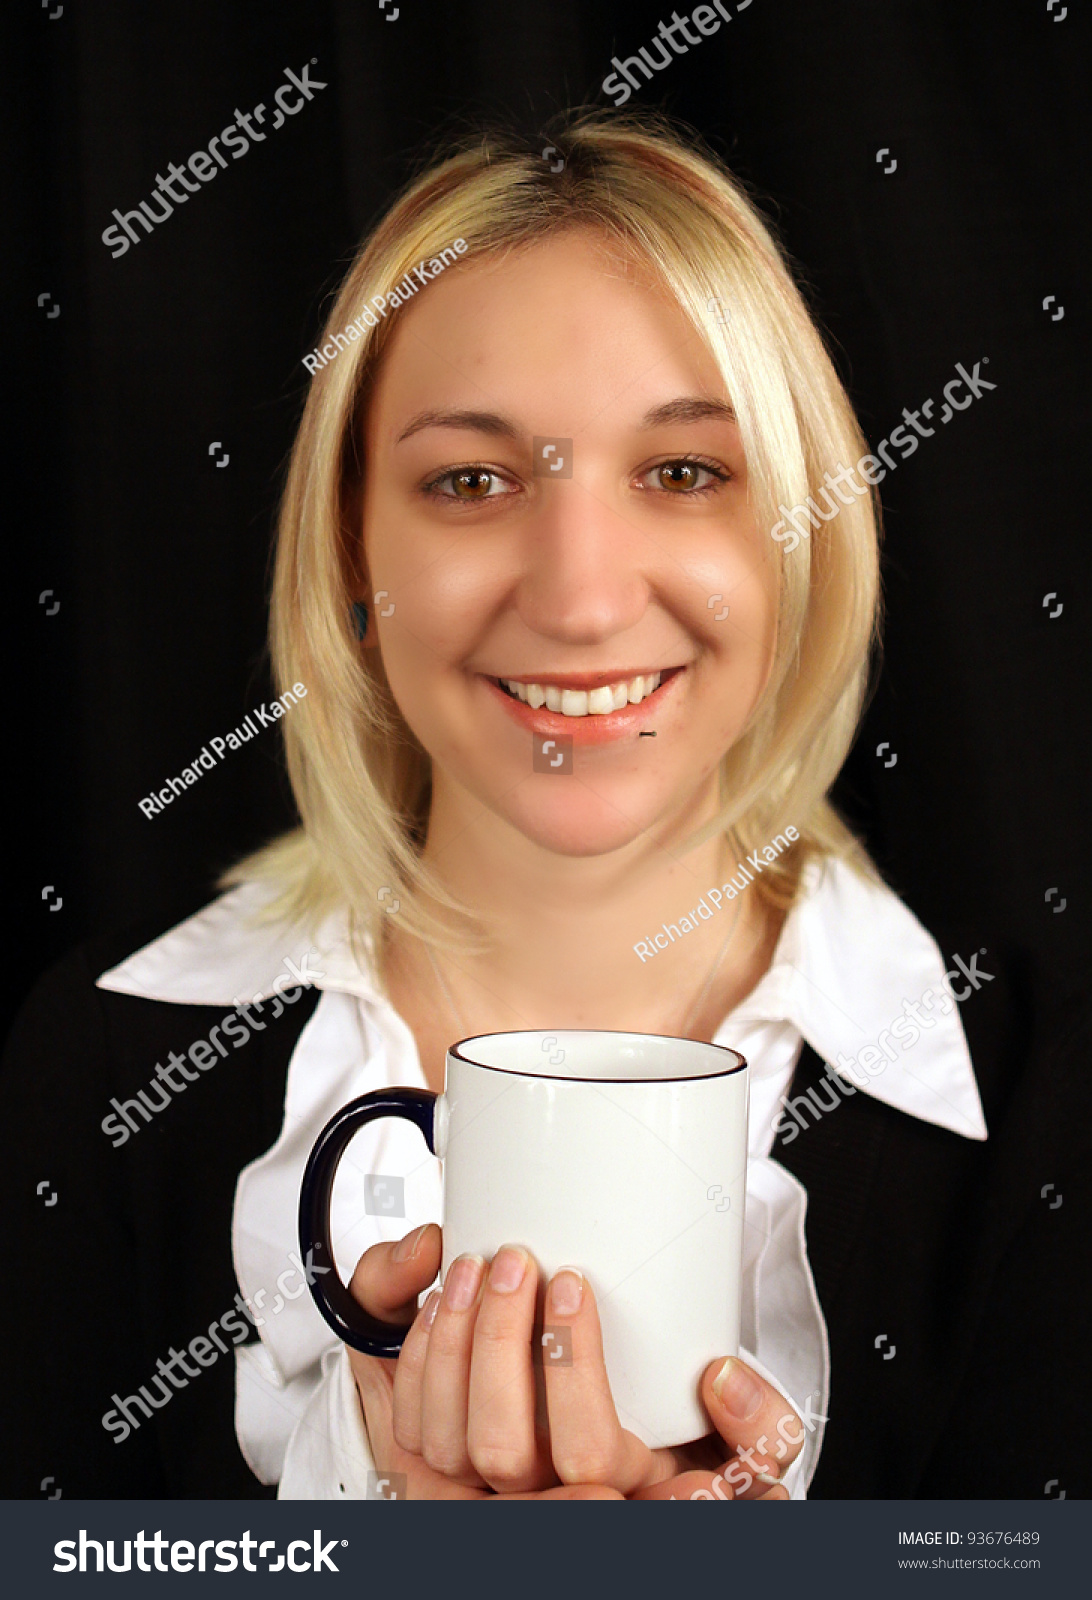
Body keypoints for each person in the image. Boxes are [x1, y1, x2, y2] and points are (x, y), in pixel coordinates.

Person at [7, 111, 1073, 1503]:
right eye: (470, 480)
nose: (577, 599)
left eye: (684, 473)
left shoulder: (1048, 1092)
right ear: (350, 548)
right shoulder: (100, 1073)